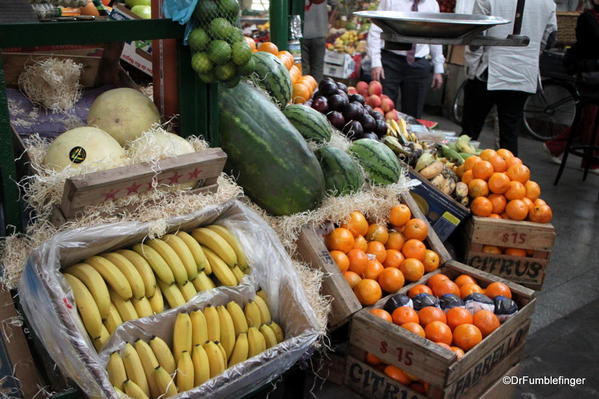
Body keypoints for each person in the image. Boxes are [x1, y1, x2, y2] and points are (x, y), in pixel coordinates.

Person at [460, 0, 557, 156]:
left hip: (488, 70)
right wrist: (529, 56)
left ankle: (461, 172)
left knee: (469, 134)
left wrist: (472, 70)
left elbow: (476, 37)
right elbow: (549, 38)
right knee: (509, 133)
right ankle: (510, 176)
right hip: (522, 73)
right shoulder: (548, 3)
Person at [545, 0, 599, 173]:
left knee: (589, 118)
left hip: (593, 72)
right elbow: (594, 43)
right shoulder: (588, 17)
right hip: (588, 73)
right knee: (590, 117)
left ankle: (555, 146)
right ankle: (590, 161)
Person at [367, 0, 445, 119]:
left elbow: (436, 36)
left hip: (419, 62)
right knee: (383, 109)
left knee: (413, 113)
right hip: (390, 60)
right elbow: (376, 29)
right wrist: (376, 62)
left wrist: (438, 67)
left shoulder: (432, 4)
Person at [302, 0, 337, 83]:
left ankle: (303, 93)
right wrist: (329, 22)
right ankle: (317, 93)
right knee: (317, 69)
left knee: (302, 69)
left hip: (302, 33)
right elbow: (335, 4)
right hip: (319, 32)